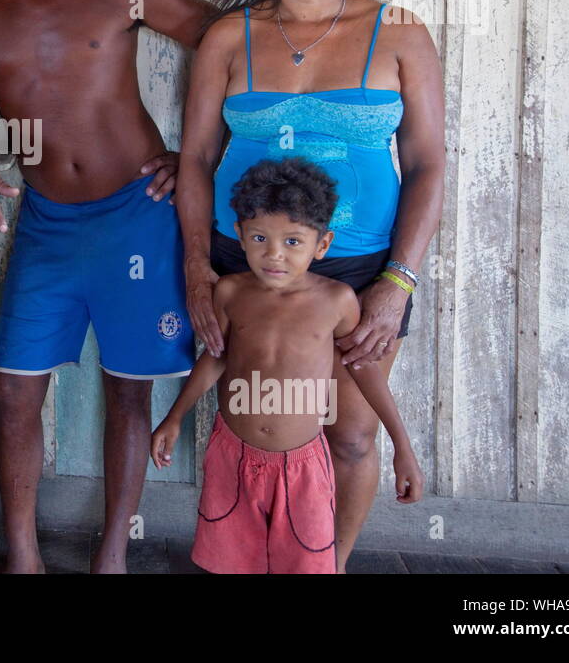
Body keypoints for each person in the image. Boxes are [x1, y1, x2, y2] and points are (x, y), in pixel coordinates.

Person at [0, 0, 214, 573]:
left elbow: (218, 37)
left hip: (137, 212)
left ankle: (110, 557)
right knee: (15, 386)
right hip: (46, 223)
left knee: (128, 391)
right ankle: (23, 557)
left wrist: (194, 155)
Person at [175, 0, 444, 572]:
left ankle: (328, 566)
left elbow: (428, 165)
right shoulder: (229, 39)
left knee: (351, 436)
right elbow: (196, 160)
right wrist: (198, 268)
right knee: (260, 427)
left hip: (363, 268)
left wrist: (399, 281)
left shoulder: (400, 33)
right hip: (248, 260)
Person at [151, 157, 422, 574]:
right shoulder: (230, 291)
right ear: (239, 235)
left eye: (293, 241)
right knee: (230, 560)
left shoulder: (336, 302)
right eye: (260, 237)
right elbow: (216, 357)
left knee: (305, 564)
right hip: (231, 455)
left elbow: (363, 369)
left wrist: (402, 446)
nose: (274, 255)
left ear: (323, 244)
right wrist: (174, 418)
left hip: (303, 467)